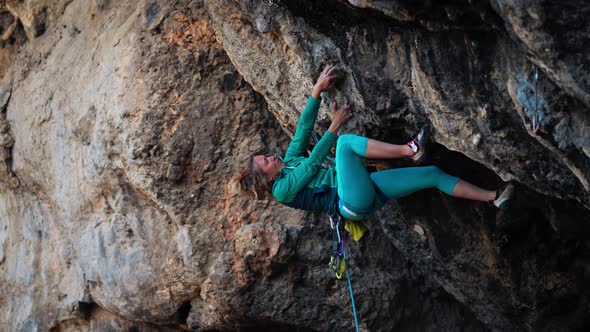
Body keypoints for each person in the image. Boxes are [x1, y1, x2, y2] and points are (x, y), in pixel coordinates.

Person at [238, 65, 514, 221]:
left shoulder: (289, 162)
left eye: (267, 156)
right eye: (266, 162)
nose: (271, 157)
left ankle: (495, 196)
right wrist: (334, 125)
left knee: (431, 175)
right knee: (345, 143)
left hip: (364, 191)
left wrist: (316, 92)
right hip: (349, 201)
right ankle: (410, 150)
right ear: (266, 177)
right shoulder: (282, 190)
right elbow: (311, 166)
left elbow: (302, 131)